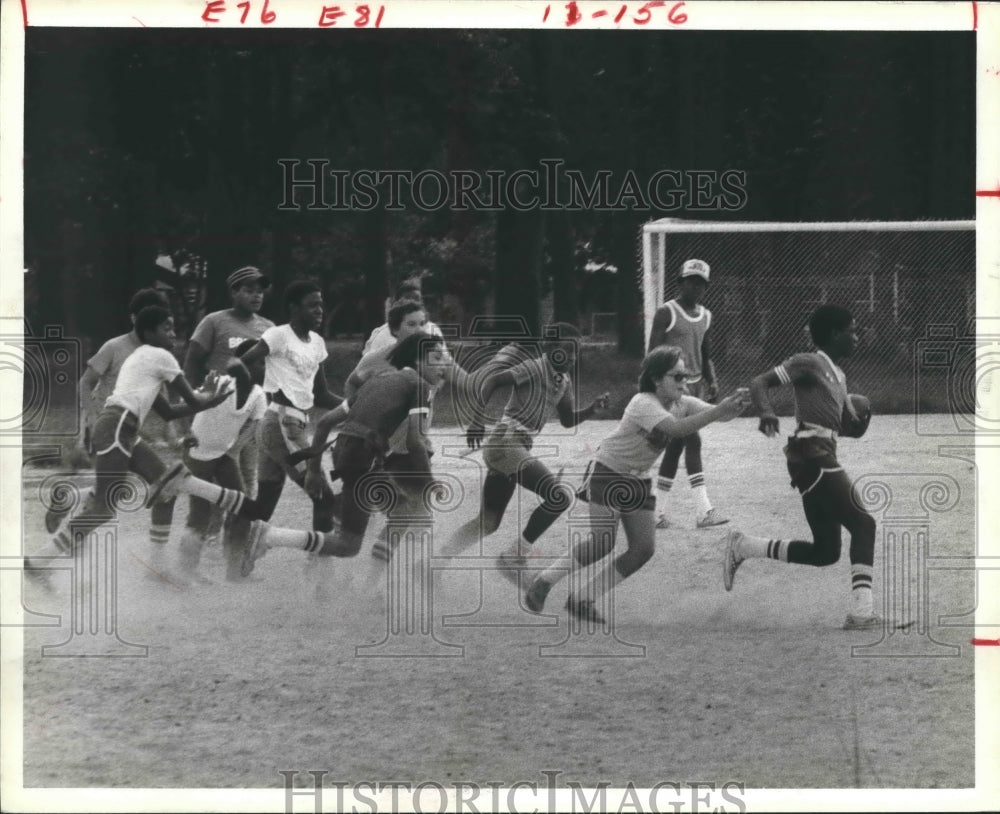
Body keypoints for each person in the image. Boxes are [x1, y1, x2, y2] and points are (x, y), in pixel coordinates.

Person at [523, 346, 748, 622]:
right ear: (656, 379)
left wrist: (734, 407)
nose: (683, 383)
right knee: (602, 543)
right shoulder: (644, 402)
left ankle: (583, 599)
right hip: (609, 471)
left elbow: (719, 414)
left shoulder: (681, 403)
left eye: (685, 377)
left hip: (638, 478)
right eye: (677, 377)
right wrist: (720, 411)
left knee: (643, 549)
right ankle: (543, 581)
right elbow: (677, 430)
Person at [26, 306, 235, 584]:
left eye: (173, 328)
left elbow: (170, 412)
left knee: (166, 489)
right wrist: (213, 397)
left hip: (122, 428)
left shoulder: (141, 357)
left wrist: (206, 398)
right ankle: (40, 561)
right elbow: (195, 403)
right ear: (149, 332)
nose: (173, 334)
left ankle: (157, 565)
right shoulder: (160, 355)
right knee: (104, 508)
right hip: (117, 426)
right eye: (167, 328)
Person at [720, 304, 881, 631]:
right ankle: (862, 614)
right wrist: (766, 411)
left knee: (826, 552)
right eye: (851, 330)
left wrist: (859, 419)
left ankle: (744, 546)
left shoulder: (839, 375)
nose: (856, 337)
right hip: (811, 453)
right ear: (835, 334)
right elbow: (759, 382)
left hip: (820, 454)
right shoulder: (808, 362)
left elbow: (842, 426)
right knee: (863, 524)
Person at [244, 333, 452, 567]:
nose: (443, 364)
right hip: (362, 456)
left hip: (347, 452)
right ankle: (272, 536)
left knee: (399, 512)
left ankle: (366, 578)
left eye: (444, 358)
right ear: (417, 360)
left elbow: (324, 424)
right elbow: (415, 442)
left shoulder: (379, 379)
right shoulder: (419, 386)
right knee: (349, 545)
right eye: (436, 357)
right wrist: (429, 481)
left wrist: (313, 471)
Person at [443, 323, 610, 583]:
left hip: (512, 448)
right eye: (567, 350)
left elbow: (566, 420)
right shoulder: (535, 367)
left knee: (489, 522)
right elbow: (493, 380)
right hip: (506, 443)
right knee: (559, 497)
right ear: (549, 348)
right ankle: (515, 557)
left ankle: (432, 562)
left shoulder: (563, 380)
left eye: (577, 352)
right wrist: (477, 420)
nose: (572, 358)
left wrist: (591, 410)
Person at [48, 288, 179, 548]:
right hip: (106, 426)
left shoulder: (158, 354)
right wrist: (91, 419)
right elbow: (85, 384)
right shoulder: (115, 346)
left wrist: (172, 432)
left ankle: (157, 558)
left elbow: (160, 398)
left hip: (129, 431)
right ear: (134, 318)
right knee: (108, 498)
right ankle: (61, 547)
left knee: (159, 489)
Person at [227, 279, 342, 536]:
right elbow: (239, 364)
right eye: (312, 305)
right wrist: (258, 388)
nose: (319, 310)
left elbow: (320, 394)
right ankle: (319, 569)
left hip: (286, 425)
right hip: (282, 424)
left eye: (321, 305)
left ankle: (235, 563)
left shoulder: (317, 343)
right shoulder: (279, 335)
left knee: (263, 507)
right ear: (294, 308)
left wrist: (353, 405)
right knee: (322, 496)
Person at [183, 265, 274, 554]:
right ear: (234, 292)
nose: (256, 296)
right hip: (216, 414)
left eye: (260, 291)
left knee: (246, 483)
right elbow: (191, 363)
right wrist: (194, 406)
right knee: (208, 487)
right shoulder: (214, 321)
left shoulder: (268, 328)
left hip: (251, 414)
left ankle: (233, 549)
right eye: (249, 290)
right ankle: (204, 545)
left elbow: (272, 371)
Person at [176, 339, 267, 584]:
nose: (264, 367)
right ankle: (186, 570)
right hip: (197, 455)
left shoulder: (259, 395)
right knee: (200, 513)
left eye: (264, 362)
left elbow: (253, 427)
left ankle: (234, 568)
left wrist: (234, 451)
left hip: (222, 456)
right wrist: (186, 432)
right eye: (259, 362)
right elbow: (186, 405)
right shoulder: (220, 383)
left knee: (243, 507)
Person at [646, 258, 728, 530]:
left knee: (676, 445)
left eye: (701, 283)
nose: (696, 287)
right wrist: (651, 391)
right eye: (691, 281)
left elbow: (705, 353)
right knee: (692, 441)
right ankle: (704, 511)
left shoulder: (706, 316)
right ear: (680, 282)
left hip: (693, 386)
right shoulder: (666, 312)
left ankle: (656, 512)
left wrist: (712, 379)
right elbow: (652, 356)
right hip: (672, 388)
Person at [362, 279, 443, 355]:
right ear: (397, 302)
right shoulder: (382, 334)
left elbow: (444, 360)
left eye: (417, 299)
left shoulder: (433, 329)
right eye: (407, 298)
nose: (412, 303)